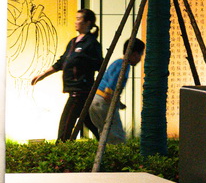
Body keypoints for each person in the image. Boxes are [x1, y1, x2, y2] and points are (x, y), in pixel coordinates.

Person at [31, 8, 103, 142]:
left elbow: (100, 65)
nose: (76, 22)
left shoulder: (91, 43)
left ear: (87, 23)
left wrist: (83, 61)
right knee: (88, 120)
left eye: (79, 19)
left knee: (66, 122)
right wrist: (43, 75)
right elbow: (62, 62)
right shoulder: (73, 42)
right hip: (73, 89)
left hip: (80, 90)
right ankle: (106, 140)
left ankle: (61, 145)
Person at [89, 38, 145, 144]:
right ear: (135, 54)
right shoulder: (124, 65)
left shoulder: (117, 62)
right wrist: (108, 93)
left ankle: (104, 153)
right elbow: (113, 80)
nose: (140, 59)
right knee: (117, 135)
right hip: (103, 101)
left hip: (95, 100)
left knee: (105, 134)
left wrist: (118, 103)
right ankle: (117, 154)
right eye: (141, 55)